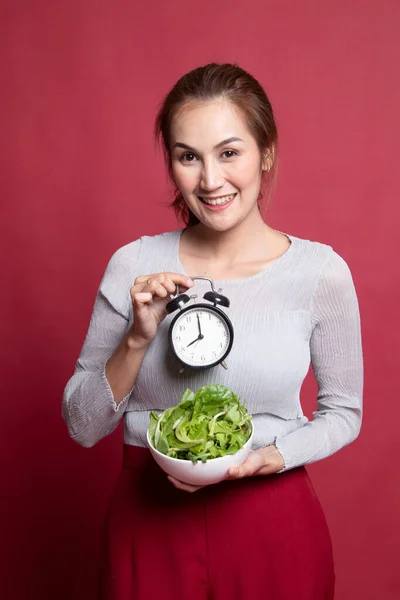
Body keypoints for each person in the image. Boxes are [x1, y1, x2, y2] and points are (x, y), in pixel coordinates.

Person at [62, 63, 363, 600]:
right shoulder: (133, 264)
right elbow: (83, 425)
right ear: (172, 164)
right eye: (187, 157)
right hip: (149, 523)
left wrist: (278, 455)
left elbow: (343, 412)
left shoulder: (319, 273)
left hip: (273, 520)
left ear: (265, 152)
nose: (210, 180)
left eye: (229, 153)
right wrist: (137, 338)